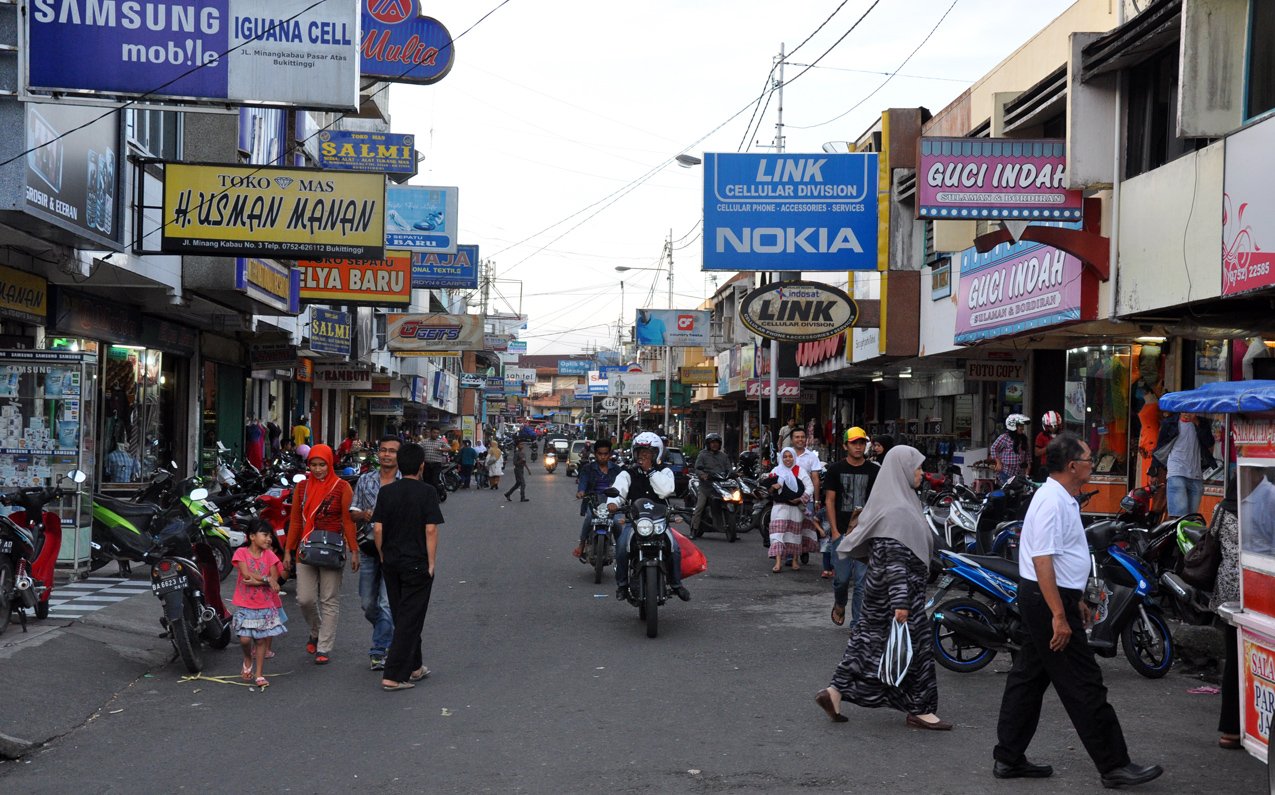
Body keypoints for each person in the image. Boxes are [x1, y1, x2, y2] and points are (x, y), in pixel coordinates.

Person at [992, 433, 1162, 787]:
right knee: (1084, 683)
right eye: (1088, 458)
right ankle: (1114, 765)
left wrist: (1076, 598)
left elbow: (1063, 557)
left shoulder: (1063, 497)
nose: (1092, 462)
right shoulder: (1051, 501)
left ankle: (1008, 758)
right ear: (1072, 466)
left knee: (1028, 677)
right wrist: (1059, 613)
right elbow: (1042, 560)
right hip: (1045, 599)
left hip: (1052, 596)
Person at [815, 445, 949, 731]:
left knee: (866, 643)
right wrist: (901, 603)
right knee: (918, 650)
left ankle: (835, 692)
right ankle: (920, 709)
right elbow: (894, 560)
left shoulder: (896, 501)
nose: (921, 473)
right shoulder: (897, 510)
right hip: (900, 596)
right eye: (916, 467)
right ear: (901, 469)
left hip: (880, 594)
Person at [373, 443, 445, 691]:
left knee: (404, 615)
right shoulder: (427, 492)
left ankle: (415, 666)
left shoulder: (386, 492)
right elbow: (431, 529)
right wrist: (431, 562)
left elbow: (378, 528)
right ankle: (393, 675)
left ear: (400, 466)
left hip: (391, 562)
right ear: (422, 466)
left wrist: (383, 554)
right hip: (416, 563)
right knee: (410, 619)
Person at [284, 443, 359, 665]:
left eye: (322, 465)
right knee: (304, 599)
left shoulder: (342, 486)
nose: (317, 469)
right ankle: (315, 631)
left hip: (332, 550)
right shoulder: (302, 488)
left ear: (330, 464)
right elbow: (296, 521)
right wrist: (288, 551)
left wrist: (354, 550)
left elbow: (348, 520)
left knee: (329, 599)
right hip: (306, 549)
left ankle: (324, 646)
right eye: (313, 465)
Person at [608, 431, 690, 602]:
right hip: (636, 521)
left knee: (674, 549)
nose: (644, 456)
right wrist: (613, 503)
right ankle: (622, 585)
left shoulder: (664, 471)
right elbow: (619, 490)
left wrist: (650, 472)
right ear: (635, 453)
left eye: (648, 453)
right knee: (622, 548)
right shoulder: (627, 472)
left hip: (659, 521)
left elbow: (665, 491)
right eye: (641, 453)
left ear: (656, 454)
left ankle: (676, 584)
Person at [351, 435, 401, 671]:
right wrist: (364, 515)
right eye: (383, 450)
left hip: (394, 550)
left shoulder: (406, 482)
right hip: (370, 549)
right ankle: (388, 630)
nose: (387, 455)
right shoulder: (365, 480)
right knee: (367, 603)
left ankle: (379, 649)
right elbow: (353, 511)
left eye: (392, 451)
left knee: (386, 603)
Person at [823, 427, 880, 627]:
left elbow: (878, 501)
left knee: (862, 582)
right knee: (842, 579)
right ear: (845, 445)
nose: (858, 446)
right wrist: (835, 531)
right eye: (854, 443)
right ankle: (840, 603)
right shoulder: (835, 469)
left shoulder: (875, 471)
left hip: (865, 533)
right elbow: (829, 501)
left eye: (862, 443)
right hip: (841, 532)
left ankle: (857, 623)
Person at [231, 520, 287, 689]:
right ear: (252, 537)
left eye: (270, 535)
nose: (269, 539)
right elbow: (246, 574)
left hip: (264, 604)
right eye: (265, 535)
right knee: (245, 639)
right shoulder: (241, 552)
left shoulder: (270, 555)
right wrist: (266, 579)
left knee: (261, 641)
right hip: (245, 603)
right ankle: (248, 659)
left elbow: (275, 576)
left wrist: (263, 580)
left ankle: (259, 674)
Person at [1211, 476, 1241, 750]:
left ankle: (1231, 729)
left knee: (1234, 658)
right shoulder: (1258, 505)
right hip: (1253, 587)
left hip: (1227, 589)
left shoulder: (1220, 509)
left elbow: (1212, 540)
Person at [1152, 411, 1217, 518]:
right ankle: (1176, 534)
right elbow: (1160, 447)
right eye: (1184, 409)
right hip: (1176, 472)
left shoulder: (1202, 423)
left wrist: (1196, 422)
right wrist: (1153, 471)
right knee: (1179, 514)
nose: (1187, 413)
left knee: (1191, 516)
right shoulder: (1170, 423)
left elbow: (1209, 442)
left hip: (1196, 474)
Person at [766, 447, 817, 572]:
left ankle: (795, 560)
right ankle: (778, 563)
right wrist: (773, 486)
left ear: (794, 457)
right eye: (785, 456)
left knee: (794, 535)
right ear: (781, 458)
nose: (787, 459)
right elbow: (768, 489)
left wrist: (800, 498)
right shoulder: (776, 471)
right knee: (777, 533)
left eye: (790, 456)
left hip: (795, 508)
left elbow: (810, 487)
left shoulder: (800, 471)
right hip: (779, 506)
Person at [574, 438, 619, 558]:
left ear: (609, 454)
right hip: (594, 502)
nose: (603, 457)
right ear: (595, 454)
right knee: (589, 518)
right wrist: (581, 491)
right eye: (600, 454)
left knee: (617, 523)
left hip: (612, 502)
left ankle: (621, 549)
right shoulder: (588, 468)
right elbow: (583, 481)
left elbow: (623, 485)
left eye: (605, 454)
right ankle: (582, 545)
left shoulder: (616, 469)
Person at [690, 433, 732, 536]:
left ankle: (731, 528)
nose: (714, 445)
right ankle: (694, 530)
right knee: (699, 507)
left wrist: (734, 474)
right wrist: (703, 475)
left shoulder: (724, 456)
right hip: (706, 486)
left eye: (716, 442)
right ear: (708, 444)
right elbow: (697, 469)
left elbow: (729, 469)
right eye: (712, 443)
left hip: (721, 486)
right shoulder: (702, 454)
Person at [991, 414, 1032, 485]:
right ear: (1013, 426)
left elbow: (1027, 454)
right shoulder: (1004, 437)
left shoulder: (1023, 439)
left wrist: (1028, 467)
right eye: (1020, 426)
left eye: (1023, 426)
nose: (1022, 428)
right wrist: (998, 462)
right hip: (1006, 473)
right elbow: (994, 448)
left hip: (1019, 474)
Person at [421, 427, 452, 493]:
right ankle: (427, 496)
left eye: (437, 433)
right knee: (426, 481)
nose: (436, 434)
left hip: (436, 465)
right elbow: (418, 447)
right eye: (434, 432)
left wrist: (440, 449)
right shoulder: (424, 441)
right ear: (431, 433)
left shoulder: (441, 442)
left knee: (435, 481)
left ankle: (436, 496)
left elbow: (449, 448)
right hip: (426, 464)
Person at [1034, 411, 1061, 479]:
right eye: (1051, 426)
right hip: (1046, 466)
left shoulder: (1062, 435)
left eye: (1056, 426)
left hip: (1060, 466)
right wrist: (1048, 448)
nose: (1053, 428)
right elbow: (1037, 453)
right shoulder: (1041, 436)